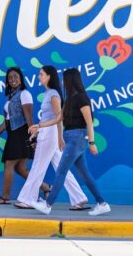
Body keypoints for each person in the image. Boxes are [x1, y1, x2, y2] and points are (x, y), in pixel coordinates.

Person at [31, 68, 111, 216]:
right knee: (85, 174)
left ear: (70, 80)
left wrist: (92, 143)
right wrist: (39, 126)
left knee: (61, 171)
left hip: (77, 138)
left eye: (64, 79)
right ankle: (102, 203)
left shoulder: (82, 98)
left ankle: (48, 205)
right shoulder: (69, 99)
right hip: (72, 139)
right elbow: (58, 119)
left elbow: (89, 122)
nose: (62, 81)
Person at [16, 66, 89, 210]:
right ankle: (79, 197)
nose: (39, 76)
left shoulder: (53, 94)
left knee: (38, 165)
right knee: (61, 167)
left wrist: (60, 137)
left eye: (41, 74)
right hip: (48, 132)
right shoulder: (49, 93)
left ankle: (27, 199)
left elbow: (59, 118)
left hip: (50, 133)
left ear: (49, 76)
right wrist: (39, 130)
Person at [0, 66, 41, 204]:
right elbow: (7, 120)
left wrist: (32, 137)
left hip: (21, 133)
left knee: (9, 163)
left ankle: (5, 197)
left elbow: (29, 117)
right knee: (20, 169)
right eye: (10, 78)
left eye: (15, 77)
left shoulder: (24, 94)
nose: (13, 80)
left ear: (21, 78)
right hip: (13, 133)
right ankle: (47, 187)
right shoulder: (11, 97)